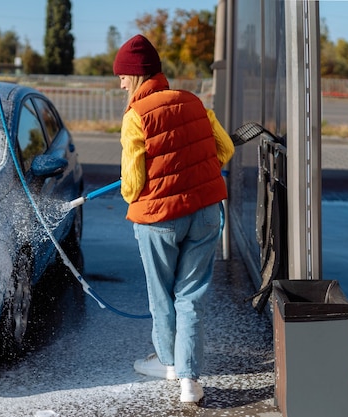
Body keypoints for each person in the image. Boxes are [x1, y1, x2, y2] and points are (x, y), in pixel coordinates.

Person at [113, 34, 235, 404]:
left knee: (162, 296)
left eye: (121, 75)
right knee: (191, 296)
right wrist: (192, 174)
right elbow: (224, 149)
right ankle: (190, 382)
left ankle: (168, 362)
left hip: (159, 220)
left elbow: (132, 186)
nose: (119, 82)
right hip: (205, 213)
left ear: (135, 77)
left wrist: (130, 188)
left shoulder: (135, 116)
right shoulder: (194, 101)